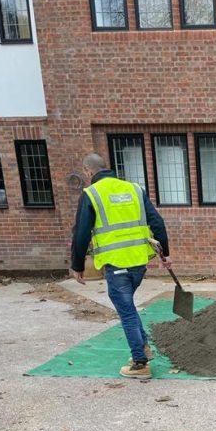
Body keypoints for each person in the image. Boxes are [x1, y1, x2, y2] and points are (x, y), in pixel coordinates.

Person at [70, 153, 171, 380]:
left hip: (116, 265)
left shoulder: (91, 194)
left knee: (126, 311)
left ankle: (140, 363)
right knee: (128, 307)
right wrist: (166, 253)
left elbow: (81, 233)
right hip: (139, 262)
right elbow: (157, 222)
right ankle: (143, 347)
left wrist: (77, 265)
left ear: (88, 171)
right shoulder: (134, 189)